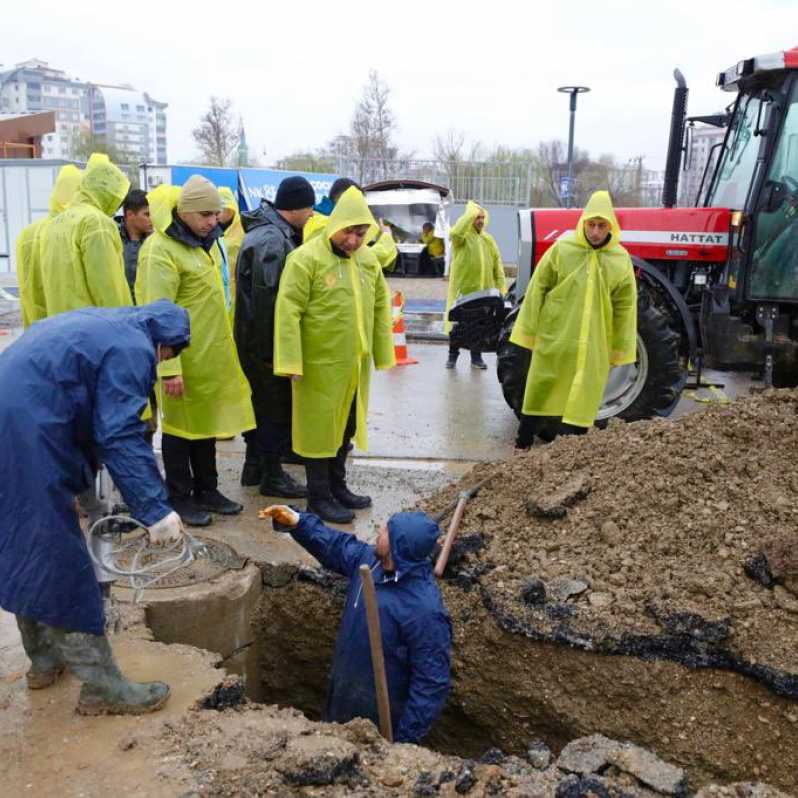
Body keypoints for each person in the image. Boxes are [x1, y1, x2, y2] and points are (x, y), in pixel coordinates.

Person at [0, 301, 190, 715]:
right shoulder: (135, 350)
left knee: (23, 546)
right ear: (166, 347)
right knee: (56, 558)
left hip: (19, 418)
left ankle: (46, 660)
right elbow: (118, 433)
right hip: (25, 433)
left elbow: (80, 411)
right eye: (170, 357)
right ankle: (103, 687)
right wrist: (155, 509)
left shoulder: (108, 325)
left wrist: (89, 497)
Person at [262, 504, 451, 744]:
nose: (380, 530)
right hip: (342, 691)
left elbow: (431, 684)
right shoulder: (370, 563)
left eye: (386, 531)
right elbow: (334, 545)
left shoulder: (425, 611)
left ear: (397, 547)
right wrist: (297, 521)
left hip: (380, 714)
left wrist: (405, 743)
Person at [136, 177, 256, 527]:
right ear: (184, 211)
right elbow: (157, 311)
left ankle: (208, 489)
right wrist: (169, 367)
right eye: (205, 214)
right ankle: (180, 496)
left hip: (210, 354)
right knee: (178, 430)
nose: (213, 221)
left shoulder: (205, 242)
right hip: (181, 358)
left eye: (216, 214)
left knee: (206, 425)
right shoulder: (163, 249)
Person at [275, 186, 395, 524]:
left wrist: (382, 353)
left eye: (361, 234)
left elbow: (380, 306)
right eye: (349, 232)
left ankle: (338, 486)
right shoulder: (306, 259)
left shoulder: (367, 261)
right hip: (317, 365)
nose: (354, 241)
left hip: (354, 364)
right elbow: (288, 312)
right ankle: (318, 495)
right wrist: (290, 360)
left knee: (346, 427)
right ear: (334, 225)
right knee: (319, 431)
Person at [511, 191, 637, 448]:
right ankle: (522, 443)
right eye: (591, 224)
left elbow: (626, 307)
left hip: (593, 341)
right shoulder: (563, 250)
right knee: (541, 389)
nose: (595, 231)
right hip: (556, 335)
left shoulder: (619, 259)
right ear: (583, 223)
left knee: (584, 394)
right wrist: (528, 330)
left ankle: (572, 452)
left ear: (610, 226)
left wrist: (619, 349)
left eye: (602, 225)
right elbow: (537, 289)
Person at [234, 176, 315, 496]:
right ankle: (272, 476)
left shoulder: (270, 233)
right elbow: (269, 300)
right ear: (294, 207)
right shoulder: (273, 240)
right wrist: (274, 353)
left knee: (260, 407)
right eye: (308, 207)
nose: (311, 214)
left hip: (253, 339)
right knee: (272, 409)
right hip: (263, 343)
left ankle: (253, 468)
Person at [40, 153, 133, 315]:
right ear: (109, 193)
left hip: (60, 325)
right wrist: (126, 324)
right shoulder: (96, 223)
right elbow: (107, 288)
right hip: (92, 331)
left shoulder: (54, 223)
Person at [16, 164, 83, 327]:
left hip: (36, 331)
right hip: (72, 329)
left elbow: (26, 289)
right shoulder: (78, 229)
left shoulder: (27, 233)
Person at [445, 201, 506, 370]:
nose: (480, 220)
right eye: (476, 217)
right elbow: (454, 233)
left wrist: (502, 290)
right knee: (459, 327)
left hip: (484, 293)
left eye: (482, 217)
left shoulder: (488, 239)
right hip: (464, 292)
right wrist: (468, 215)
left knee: (480, 327)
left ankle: (476, 358)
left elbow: (497, 267)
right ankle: (452, 357)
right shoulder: (462, 238)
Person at [305, 177, 398, 271]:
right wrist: (387, 237)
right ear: (343, 199)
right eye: (356, 203)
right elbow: (367, 258)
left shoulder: (319, 217)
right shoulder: (323, 224)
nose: (352, 241)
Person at [119, 188, 153, 299]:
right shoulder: (113, 238)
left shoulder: (156, 243)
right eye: (147, 214)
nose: (152, 219)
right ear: (130, 215)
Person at [218, 186, 244, 321]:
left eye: (223, 209)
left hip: (237, 287)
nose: (219, 213)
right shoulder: (212, 229)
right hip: (219, 286)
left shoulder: (243, 229)